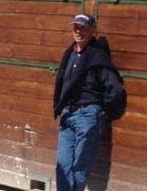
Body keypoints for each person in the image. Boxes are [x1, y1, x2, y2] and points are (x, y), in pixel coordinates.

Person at [53, 14, 126, 191]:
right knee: (62, 164)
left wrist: (102, 112)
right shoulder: (69, 53)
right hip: (67, 115)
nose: (78, 31)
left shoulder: (97, 57)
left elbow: (115, 90)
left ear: (92, 30)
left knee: (80, 165)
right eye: (76, 27)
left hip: (87, 116)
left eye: (83, 28)